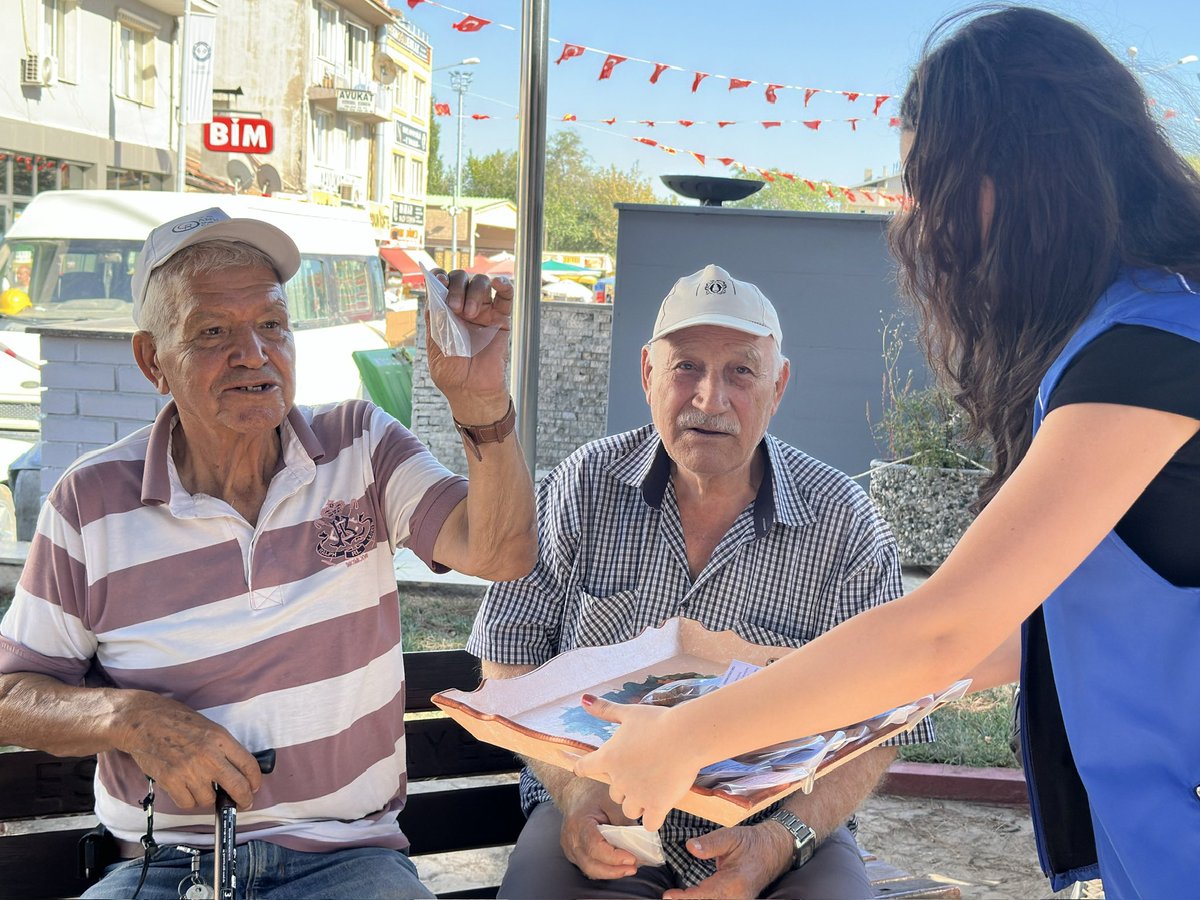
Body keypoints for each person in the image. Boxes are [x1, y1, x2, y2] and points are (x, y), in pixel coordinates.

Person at [573, 7, 1200, 899]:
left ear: (1032, 170)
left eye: (934, 186)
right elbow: (1017, 635)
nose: (925, 229)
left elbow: (948, 630)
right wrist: (766, 674)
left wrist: (690, 734)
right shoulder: (1138, 330)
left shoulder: (1152, 345)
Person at [0, 207, 537, 899]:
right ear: (152, 361)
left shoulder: (360, 446)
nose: (253, 352)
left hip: (349, 861)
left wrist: (481, 401)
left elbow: (502, 554)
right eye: (213, 331)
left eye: (273, 324)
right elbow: (12, 695)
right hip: (167, 868)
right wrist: (127, 718)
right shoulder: (90, 502)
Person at [468, 263, 933, 899]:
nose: (710, 399)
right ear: (647, 373)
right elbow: (508, 656)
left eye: (741, 371)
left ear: (778, 386)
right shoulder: (581, 486)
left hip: (776, 821)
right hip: (600, 803)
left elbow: (886, 719)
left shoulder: (843, 519)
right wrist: (575, 791)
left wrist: (783, 840)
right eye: (686, 366)